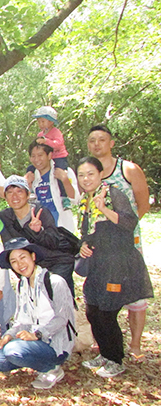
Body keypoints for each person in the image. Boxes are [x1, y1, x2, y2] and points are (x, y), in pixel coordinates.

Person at [76, 157, 153, 377]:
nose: (86, 179)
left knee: (108, 312)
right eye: (81, 175)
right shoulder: (85, 200)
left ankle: (115, 359)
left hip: (118, 261)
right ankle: (105, 353)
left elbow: (130, 222)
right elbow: (86, 232)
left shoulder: (113, 194)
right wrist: (83, 246)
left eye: (90, 173)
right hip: (99, 262)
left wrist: (105, 209)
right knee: (93, 309)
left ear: (101, 174)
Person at [87, 124, 150, 357]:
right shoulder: (89, 173)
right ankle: (103, 341)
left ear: (111, 143)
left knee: (135, 290)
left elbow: (143, 205)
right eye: (92, 140)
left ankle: (135, 344)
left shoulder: (128, 169)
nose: (96, 144)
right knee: (102, 290)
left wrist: (123, 230)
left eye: (102, 139)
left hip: (127, 240)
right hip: (101, 243)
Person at [0, 238, 75, 390]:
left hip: (54, 342)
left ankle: (51, 368)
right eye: (14, 261)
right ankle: (31, 358)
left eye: (23, 257)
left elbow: (62, 318)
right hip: (32, 341)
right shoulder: (23, 284)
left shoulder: (54, 282)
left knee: (12, 350)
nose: (20, 264)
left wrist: (38, 335)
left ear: (33, 257)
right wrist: (8, 336)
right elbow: (21, 320)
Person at [0, 175, 77, 296]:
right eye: (10, 192)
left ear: (28, 194)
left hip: (56, 262)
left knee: (58, 300)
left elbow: (53, 243)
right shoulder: (4, 217)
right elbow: (11, 250)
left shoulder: (41, 212)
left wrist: (38, 232)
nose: (15, 196)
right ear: (5, 197)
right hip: (31, 266)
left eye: (19, 191)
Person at [25, 141, 78, 231]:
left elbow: (75, 199)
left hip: (62, 225)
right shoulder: (31, 176)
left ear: (49, 155)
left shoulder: (64, 172)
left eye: (40, 155)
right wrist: (25, 183)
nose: (37, 159)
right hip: (41, 228)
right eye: (33, 156)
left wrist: (65, 180)